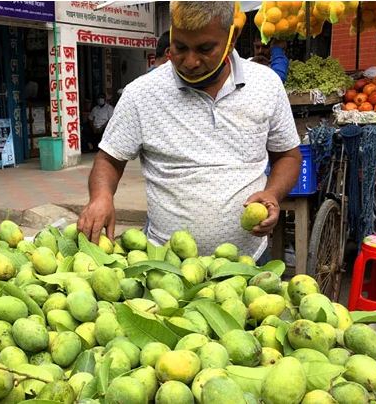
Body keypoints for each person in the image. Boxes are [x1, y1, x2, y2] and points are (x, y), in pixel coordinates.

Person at [77, 1, 302, 260]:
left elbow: (287, 156)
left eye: (205, 48)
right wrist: (101, 196)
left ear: (232, 37)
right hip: (166, 264)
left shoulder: (266, 85)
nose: (190, 61)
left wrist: (272, 193)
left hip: (247, 261)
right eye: (180, 47)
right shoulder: (142, 93)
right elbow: (108, 159)